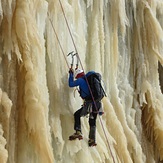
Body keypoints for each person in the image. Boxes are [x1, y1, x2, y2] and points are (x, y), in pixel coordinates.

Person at [68, 68, 102, 147]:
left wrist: (71, 74)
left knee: (77, 114)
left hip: (89, 104)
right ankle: (92, 140)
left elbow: (70, 84)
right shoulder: (90, 81)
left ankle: (78, 131)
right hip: (97, 104)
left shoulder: (81, 81)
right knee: (92, 121)